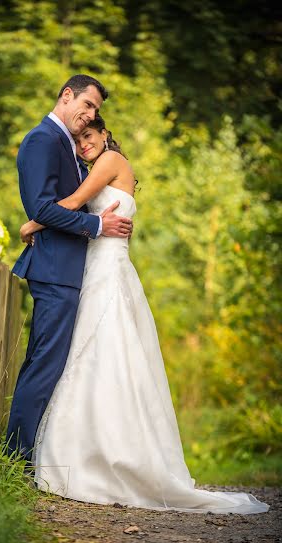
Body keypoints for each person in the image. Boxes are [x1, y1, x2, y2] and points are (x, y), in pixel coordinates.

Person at [18, 115, 270, 514]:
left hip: (106, 269)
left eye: (90, 135)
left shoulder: (109, 162)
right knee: (99, 355)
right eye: (79, 139)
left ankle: (100, 456)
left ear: (105, 133)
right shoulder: (107, 164)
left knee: (101, 352)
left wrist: (33, 222)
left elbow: (72, 203)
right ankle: (91, 450)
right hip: (102, 264)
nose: (84, 144)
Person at [5, 75, 133, 466]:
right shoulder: (43, 139)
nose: (91, 114)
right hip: (55, 270)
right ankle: (16, 459)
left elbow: (68, 202)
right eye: (88, 104)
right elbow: (42, 207)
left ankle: (30, 454)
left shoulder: (72, 148)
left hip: (73, 271)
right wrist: (97, 226)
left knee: (52, 364)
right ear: (66, 95)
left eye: (96, 110)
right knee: (45, 364)